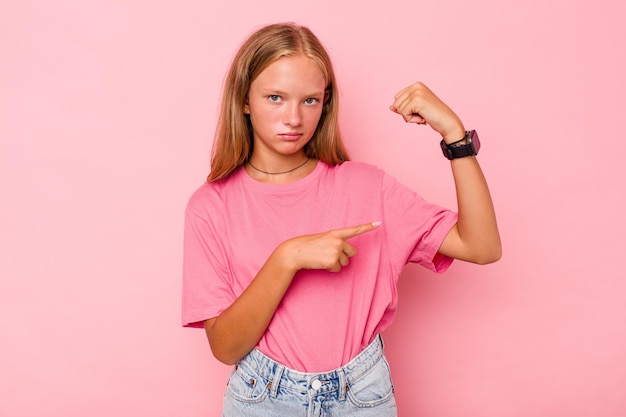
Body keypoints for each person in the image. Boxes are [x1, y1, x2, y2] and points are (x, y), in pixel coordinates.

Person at [182, 22, 501, 417]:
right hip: (262, 400)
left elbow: (482, 247)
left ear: (325, 102)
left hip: (362, 396)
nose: (294, 118)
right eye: (276, 97)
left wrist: (455, 136)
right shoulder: (211, 206)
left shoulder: (368, 186)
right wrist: (288, 257)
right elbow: (224, 348)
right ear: (244, 100)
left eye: (310, 101)